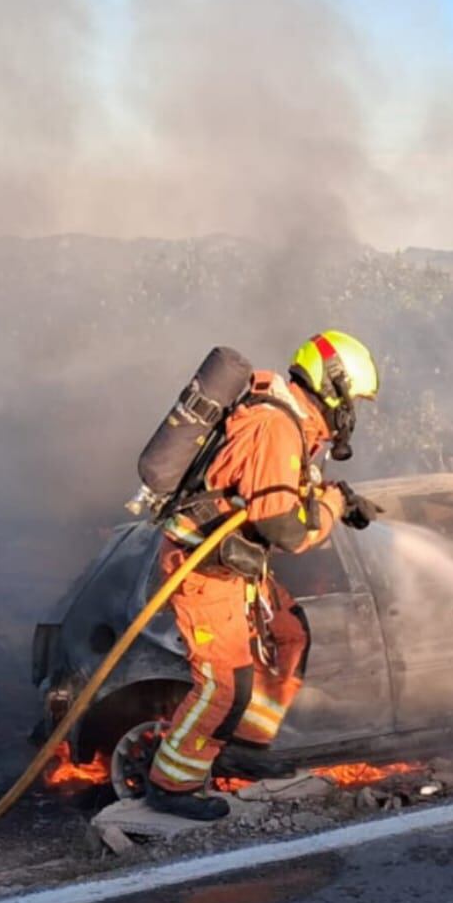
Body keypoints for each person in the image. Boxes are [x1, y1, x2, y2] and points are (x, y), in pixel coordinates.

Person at [147, 331, 381, 821]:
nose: (353, 413)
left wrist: (338, 497)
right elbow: (284, 528)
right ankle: (170, 785)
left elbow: (278, 490)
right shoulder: (276, 426)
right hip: (203, 569)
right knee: (223, 685)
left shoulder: (290, 422)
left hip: (234, 565)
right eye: (354, 400)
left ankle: (244, 749)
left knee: (290, 634)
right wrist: (331, 508)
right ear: (334, 387)